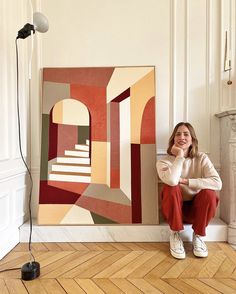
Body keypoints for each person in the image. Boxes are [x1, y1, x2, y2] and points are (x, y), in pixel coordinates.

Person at [156, 122, 222, 259]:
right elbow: (173, 181)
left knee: (209, 193)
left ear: (192, 139)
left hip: (195, 211)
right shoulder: (164, 162)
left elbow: (217, 183)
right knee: (171, 188)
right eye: (178, 134)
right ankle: (175, 234)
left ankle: (198, 236)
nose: (182, 137)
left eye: (186, 134)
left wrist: (187, 181)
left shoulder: (202, 158)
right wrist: (179, 156)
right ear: (173, 139)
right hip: (174, 211)